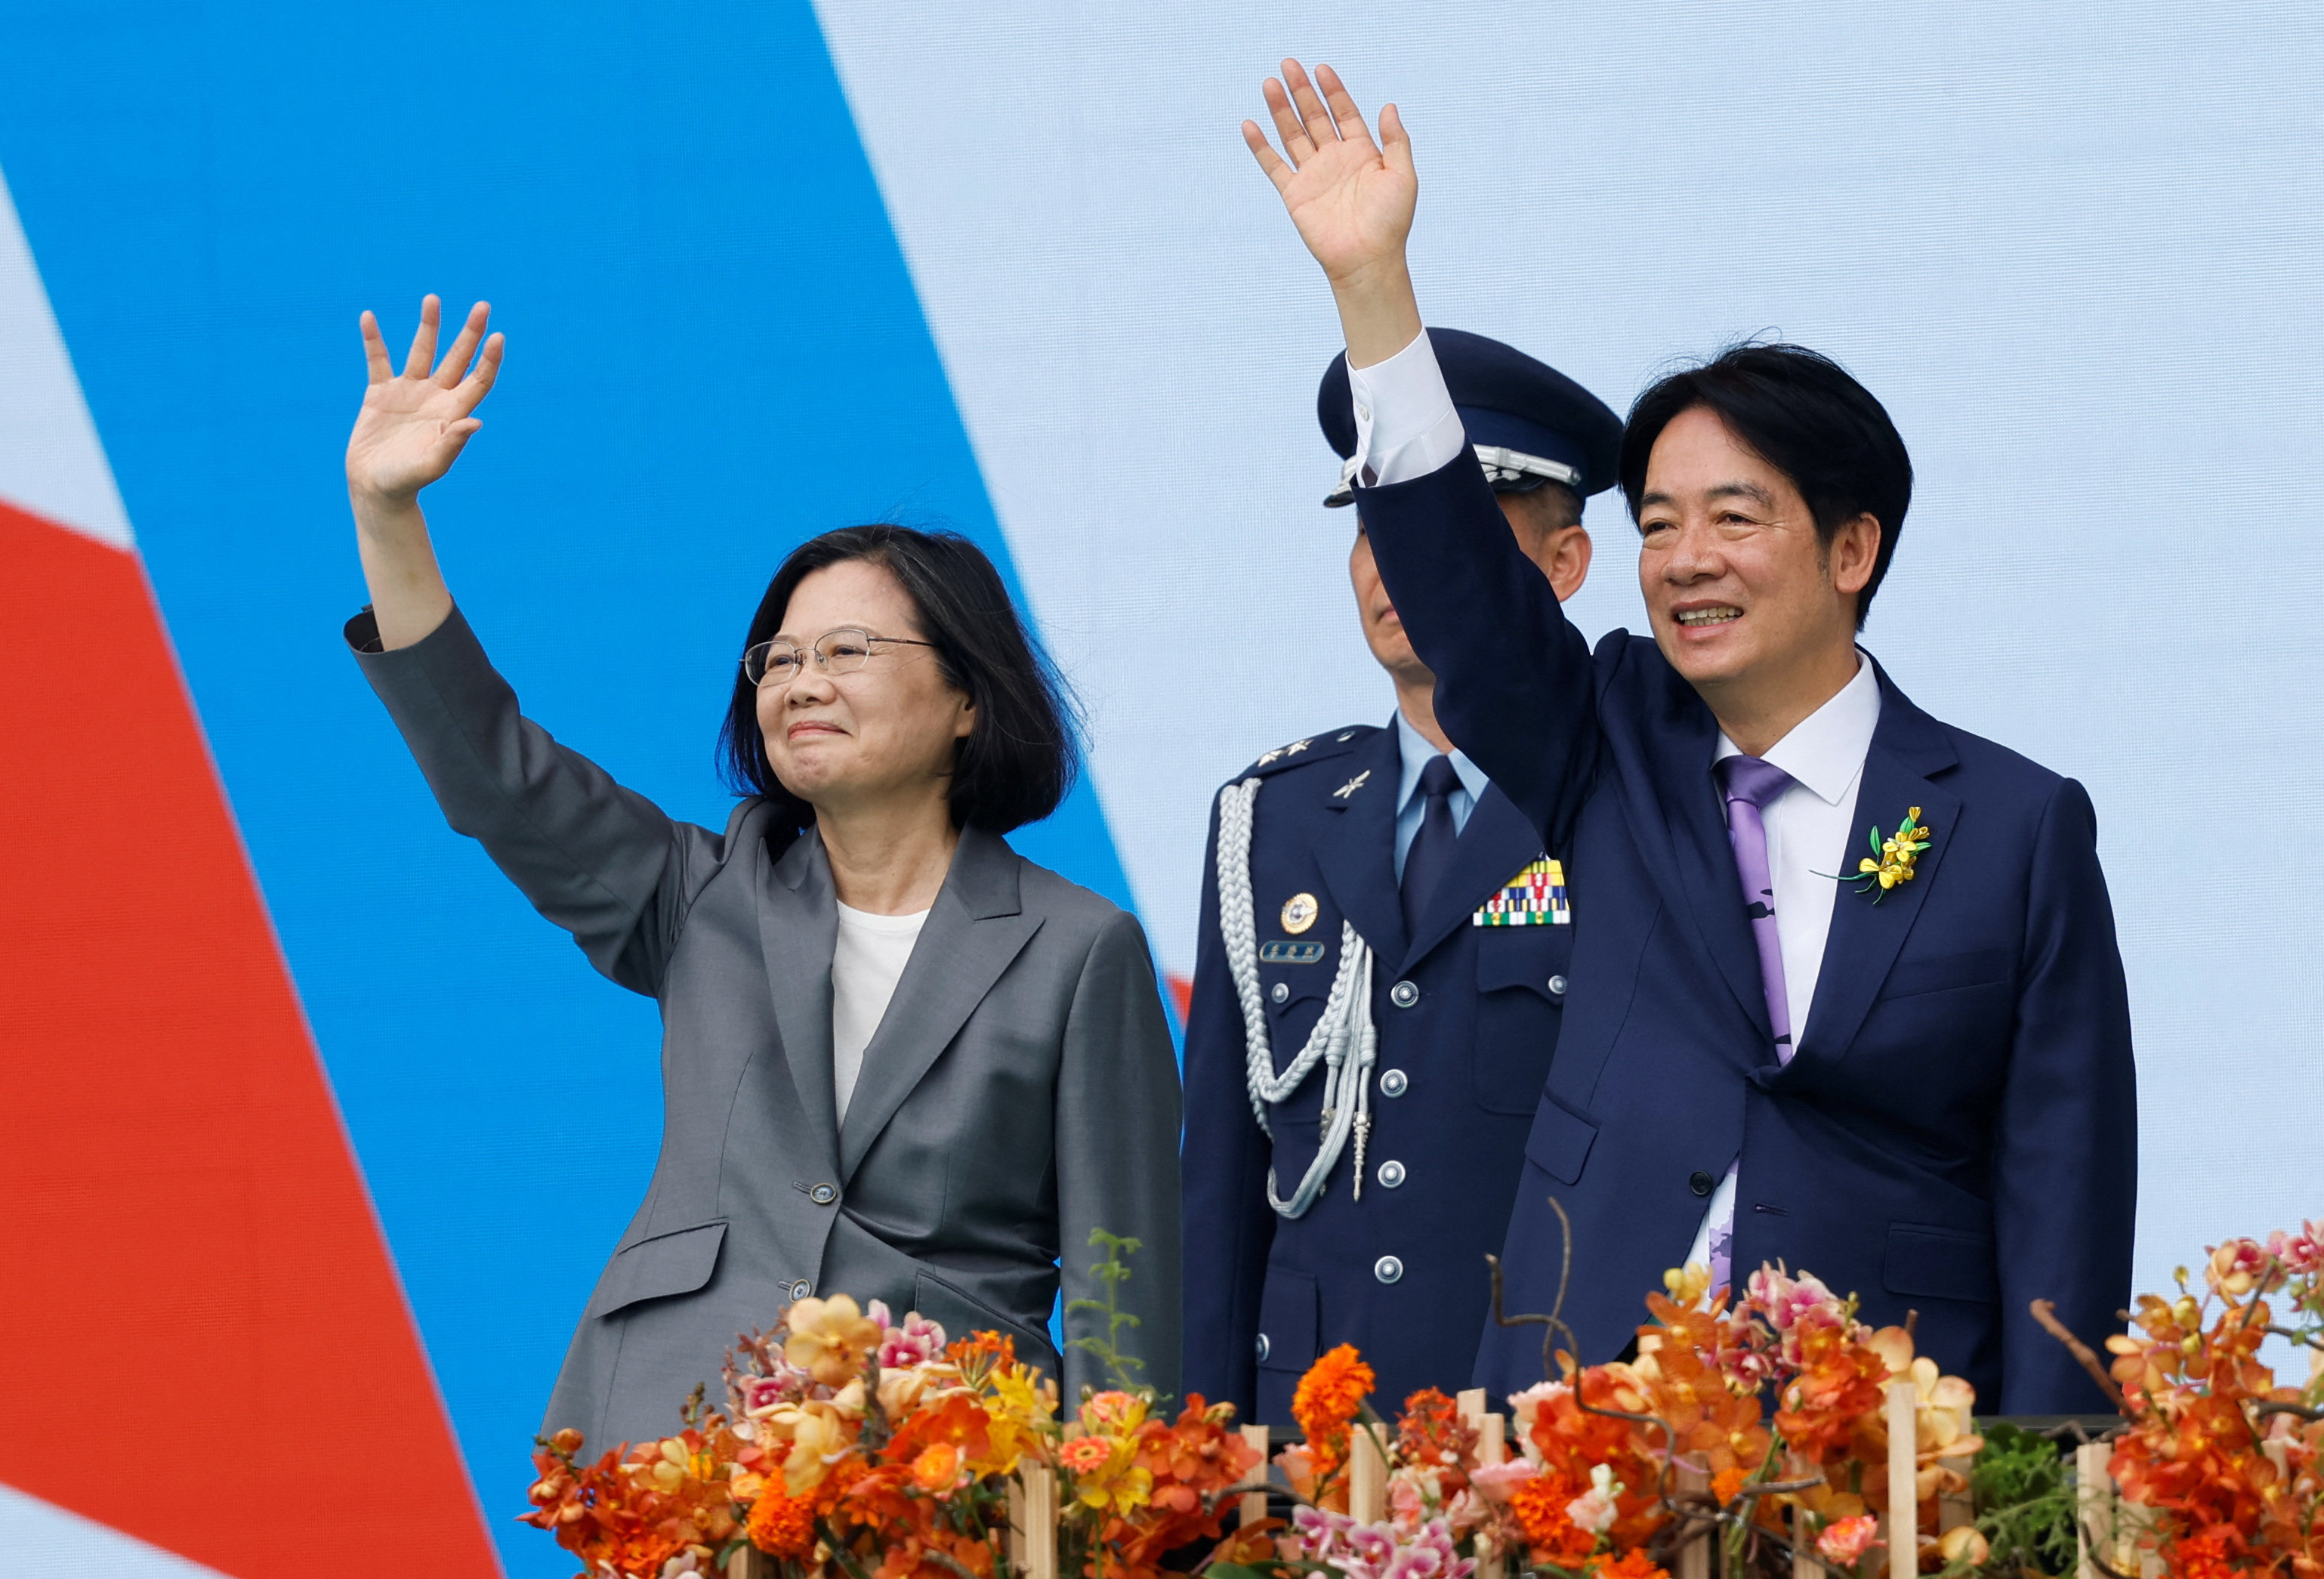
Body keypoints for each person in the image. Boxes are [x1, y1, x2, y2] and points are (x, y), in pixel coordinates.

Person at [1241, 63, 2135, 1412]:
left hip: (1884, 1442)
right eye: (1658, 524)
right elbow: (1466, 598)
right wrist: (1375, 297)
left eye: (1732, 516)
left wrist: (2044, 1486)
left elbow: (2060, 1178)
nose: (1683, 560)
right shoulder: (1611, 734)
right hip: (1578, 1420)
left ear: (1850, 547)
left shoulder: (2013, 824)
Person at [338, 295, 1182, 1446]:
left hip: (946, 1466)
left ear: (969, 699)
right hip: (683, 1435)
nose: (799, 682)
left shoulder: (1080, 950)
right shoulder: (703, 896)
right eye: (778, 658)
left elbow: (1124, 1280)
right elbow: (497, 777)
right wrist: (387, 514)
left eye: (847, 652)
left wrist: (1105, 1520)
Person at [1180, 331, 1618, 1423]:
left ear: (1563, 565)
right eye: (1373, 525)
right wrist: (1203, 1455)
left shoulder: (1622, 800)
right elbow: (1224, 1191)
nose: (1395, 560)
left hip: (1543, 1428)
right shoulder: (1269, 817)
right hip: (1307, 1442)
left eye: (1442, 527)